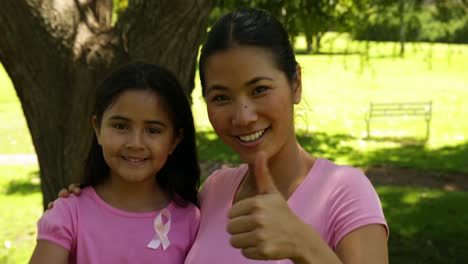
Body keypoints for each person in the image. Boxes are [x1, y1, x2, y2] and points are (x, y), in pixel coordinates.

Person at [53, 8, 389, 263]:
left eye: (259, 89)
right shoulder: (215, 190)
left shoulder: (346, 193)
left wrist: (305, 246)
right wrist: (84, 212)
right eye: (221, 97)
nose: (243, 117)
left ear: (296, 83)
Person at [30, 63, 201, 264]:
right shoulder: (68, 215)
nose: (135, 143)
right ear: (98, 129)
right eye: (120, 126)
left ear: (174, 140)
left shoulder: (191, 220)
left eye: (153, 130)